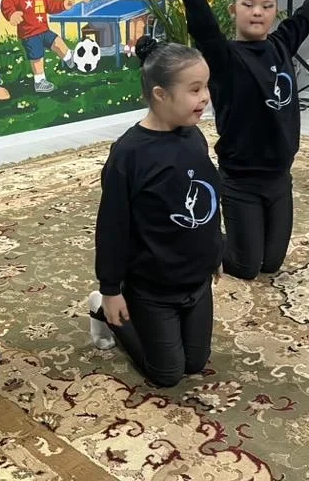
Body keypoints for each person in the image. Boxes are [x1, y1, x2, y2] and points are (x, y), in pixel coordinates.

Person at [143, 0, 309, 280]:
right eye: (248, 4)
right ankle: (196, 237)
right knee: (246, 267)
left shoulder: (282, 44)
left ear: (275, 11)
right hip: (241, 181)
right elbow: (203, 25)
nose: (257, 12)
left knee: (272, 264)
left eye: (266, 6)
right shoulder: (223, 58)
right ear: (233, 8)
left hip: (279, 177)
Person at [88, 35, 221, 388]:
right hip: (152, 288)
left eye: (206, 86)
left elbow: (209, 201)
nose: (205, 97)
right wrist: (110, 288)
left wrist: (215, 251)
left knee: (195, 363)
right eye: (195, 89)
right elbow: (112, 227)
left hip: (195, 281)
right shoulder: (129, 154)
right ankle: (102, 309)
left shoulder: (194, 137)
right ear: (161, 94)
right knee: (168, 374)